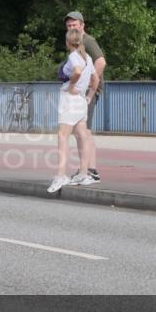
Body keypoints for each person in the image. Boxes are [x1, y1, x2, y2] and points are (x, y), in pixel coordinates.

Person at [48, 28, 99, 193]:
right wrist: (89, 95)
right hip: (81, 100)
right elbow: (95, 79)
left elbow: (76, 71)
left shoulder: (73, 56)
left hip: (70, 100)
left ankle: (61, 174)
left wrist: (71, 85)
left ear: (68, 42)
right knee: (82, 136)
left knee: (63, 136)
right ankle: (83, 173)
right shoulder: (88, 57)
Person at [64, 11, 105, 183]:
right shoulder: (77, 42)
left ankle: (88, 170)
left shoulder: (88, 40)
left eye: (74, 25)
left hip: (87, 92)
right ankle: (89, 169)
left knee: (83, 132)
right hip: (84, 91)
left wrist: (89, 83)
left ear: (82, 25)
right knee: (83, 131)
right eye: (68, 26)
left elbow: (101, 61)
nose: (72, 28)